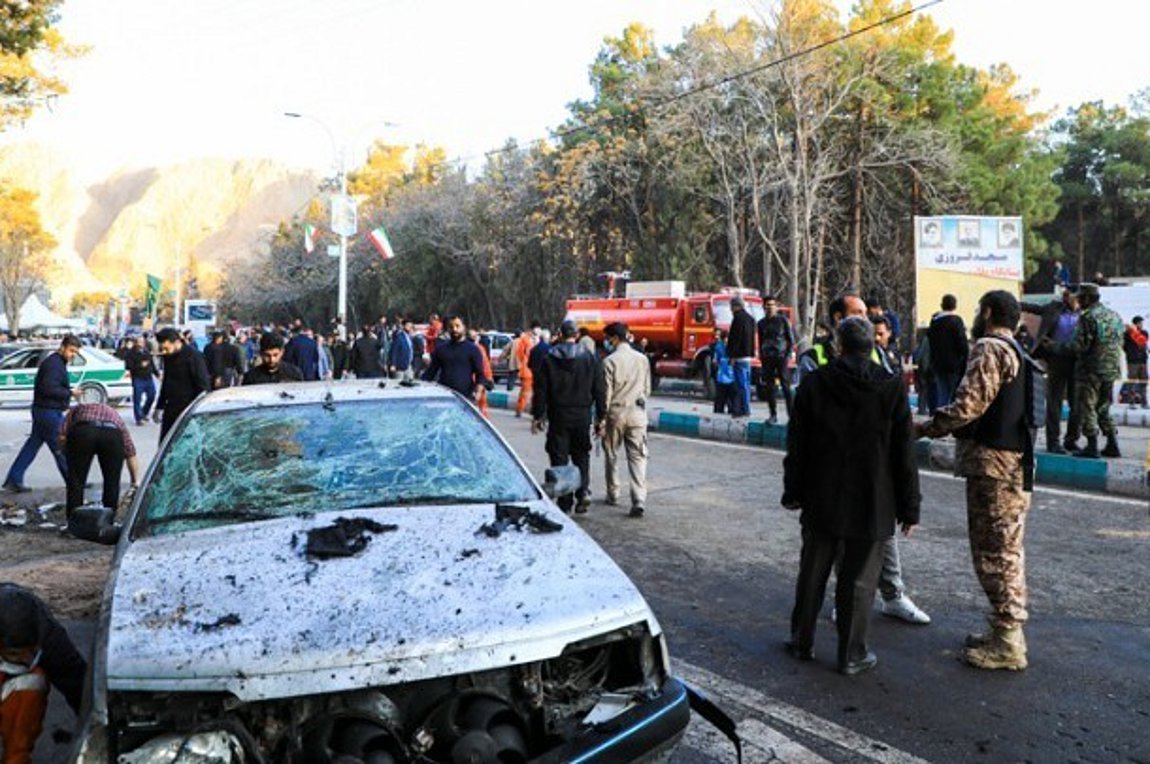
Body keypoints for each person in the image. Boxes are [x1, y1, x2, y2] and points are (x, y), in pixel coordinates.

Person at [783, 317, 920, 675]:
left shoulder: (814, 384)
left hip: (821, 495)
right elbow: (903, 454)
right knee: (860, 582)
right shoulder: (891, 387)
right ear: (872, 347)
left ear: (837, 346)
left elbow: (798, 446)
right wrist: (910, 507)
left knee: (812, 572)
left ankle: (802, 640)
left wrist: (792, 491)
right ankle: (852, 654)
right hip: (872, 501)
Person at [916, 290, 1033, 671]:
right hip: (1013, 464)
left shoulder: (989, 347)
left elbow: (968, 406)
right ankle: (1003, 630)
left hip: (993, 467)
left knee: (995, 553)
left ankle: (1008, 642)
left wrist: (925, 427)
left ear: (986, 312)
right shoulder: (1017, 349)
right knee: (1005, 549)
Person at [531, 320, 605, 513]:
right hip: (582, 414)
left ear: (560, 334)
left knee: (559, 456)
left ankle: (565, 500)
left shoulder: (549, 358)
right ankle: (583, 493)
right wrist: (601, 416)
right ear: (577, 335)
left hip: (558, 415)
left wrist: (538, 415)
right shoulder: (590, 357)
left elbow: (541, 390)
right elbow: (599, 389)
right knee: (581, 455)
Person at [3, 336, 82, 493]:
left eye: (76, 352)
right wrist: (70, 392)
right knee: (61, 448)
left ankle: (14, 478)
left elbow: (50, 387)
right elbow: (48, 389)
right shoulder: (54, 364)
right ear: (63, 347)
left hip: (44, 410)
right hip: (48, 412)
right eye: (72, 351)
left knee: (32, 446)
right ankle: (74, 482)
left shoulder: (56, 362)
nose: (73, 355)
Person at [597, 322, 651, 517]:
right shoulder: (642, 359)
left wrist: (600, 420)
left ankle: (613, 493)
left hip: (615, 415)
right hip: (638, 414)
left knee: (611, 455)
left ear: (614, 338)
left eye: (607, 338)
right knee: (637, 456)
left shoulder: (609, 362)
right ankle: (639, 499)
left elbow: (606, 396)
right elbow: (647, 390)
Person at [59, 394, 141, 519]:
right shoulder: (114, 414)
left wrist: (68, 453)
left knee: (76, 481)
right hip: (112, 434)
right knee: (112, 481)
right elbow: (130, 451)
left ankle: (73, 522)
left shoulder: (77, 409)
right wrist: (135, 481)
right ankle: (108, 521)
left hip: (83, 432)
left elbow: (62, 436)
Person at [1069, 283, 1126, 458]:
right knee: (1103, 407)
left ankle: (1091, 446)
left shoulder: (1087, 317)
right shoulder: (1114, 316)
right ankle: (1112, 444)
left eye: (1080, 298)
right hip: (1111, 369)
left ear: (1087, 298)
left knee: (1088, 406)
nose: (1078, 301)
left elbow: (1079, 346)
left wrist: (1055, 347)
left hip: (1090, 369)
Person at [1022, 289, 1080, 453]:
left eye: (1070, 295)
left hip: (1077, 362)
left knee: (1077, 403)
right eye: (1065, 294)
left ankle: (1072, 439)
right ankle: (1053, 441)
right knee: (1054, 402)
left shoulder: (1086, 312)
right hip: (1055, 359)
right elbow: (1033, 307)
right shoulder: (1054, 307)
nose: (1066, 297)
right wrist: (1012, 303)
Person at [153, 327, 211, 439]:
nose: (164, 351)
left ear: (176, 342)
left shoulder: (193, 357)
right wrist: (159, 406)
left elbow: (203, 386)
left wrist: (200, 411)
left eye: (166, 348)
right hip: (171, 409)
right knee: (166, 443)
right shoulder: (168, 357)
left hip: (188, 409)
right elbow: (166, 382)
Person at [422, 315, 489, 400]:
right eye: (451, 327)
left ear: (464, 327)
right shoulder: (441, 349)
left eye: (457, 326)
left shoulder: (473, 349)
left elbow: (480, 374)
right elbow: (430, 372)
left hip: (465, 398)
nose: (454, 329)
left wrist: (478, 393)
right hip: (444, 396)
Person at [926, 294, 969, 411]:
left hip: (937, 364)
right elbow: (962, 344)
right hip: (954, 365)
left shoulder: (934, 322)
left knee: (942, 393)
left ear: (942, 305)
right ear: (955, 305)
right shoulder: (956, 321)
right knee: (954, 395)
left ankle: (940, 419)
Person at [756, 296, 794, 425]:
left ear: (776, 307)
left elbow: (790, 340)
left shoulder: (783, 321)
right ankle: (773, 414)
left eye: (772, 305)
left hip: (781, 356)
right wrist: (761, 355)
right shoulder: (761, 323)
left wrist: (787, 355)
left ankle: (792, 416)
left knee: (785, 386)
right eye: (767, 305)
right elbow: (761, 340)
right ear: (764, 307)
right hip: (767, 357)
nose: (770, 307)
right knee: (769, 387)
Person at [726, 296, 756, 418]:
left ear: (736, 306)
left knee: (740, 385)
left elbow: (736, 339)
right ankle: (745, 408)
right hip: (748, 356)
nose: (731, 310)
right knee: (746, 384)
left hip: (739, 357)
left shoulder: (738, 319)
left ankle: (742, 410)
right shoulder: (751, 319)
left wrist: (732, 356)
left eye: (731, 307)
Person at [123, 336, 160, 426]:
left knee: (152, 395)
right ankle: (138, 418)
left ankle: (144, 412)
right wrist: (140, 365)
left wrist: (157, 374)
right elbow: (128, 366)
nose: (141, 343)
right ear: (136, 342)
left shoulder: (146, 351)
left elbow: (152, 364)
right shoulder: (131, 353)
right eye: (139, 342)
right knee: (137, 399)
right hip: (138, 377)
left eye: (142, 341)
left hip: (148, 377)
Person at [1121, 316, 1148, 407]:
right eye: (1140, 323)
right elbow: (1123, 346)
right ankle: (1131, 402)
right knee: (1131, 382)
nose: (1141, 324)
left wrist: (1133, 331)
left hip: (1143, 361)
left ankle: (1144, 402)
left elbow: (1143, 341)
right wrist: (1130, 353)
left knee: (1143, 382)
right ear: (1135, 324)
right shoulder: (1127, 334)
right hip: (1132, 361)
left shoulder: (1144, 332)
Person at [513, 323, 539, 417]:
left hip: (529, 369)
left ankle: (522, 409)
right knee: (526, 392)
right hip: (528, 370)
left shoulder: (529, 340)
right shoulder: (526, 340)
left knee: (527, 392)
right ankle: (520, 409)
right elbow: (521, 354)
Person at [468, 327, 495, 417]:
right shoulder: (480, 348)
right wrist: (489, 378)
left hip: (471, 381)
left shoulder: (464, 349)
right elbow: (486, 366)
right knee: (481, 404)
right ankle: (484, 421)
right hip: (479, 380)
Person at [710, 328, 735, 415]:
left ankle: (721, 411)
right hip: (728, 377)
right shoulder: (727, 347)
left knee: (721, 399)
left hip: (723, 376)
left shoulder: (719, 346)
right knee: (729, 398)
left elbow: (715, 361)